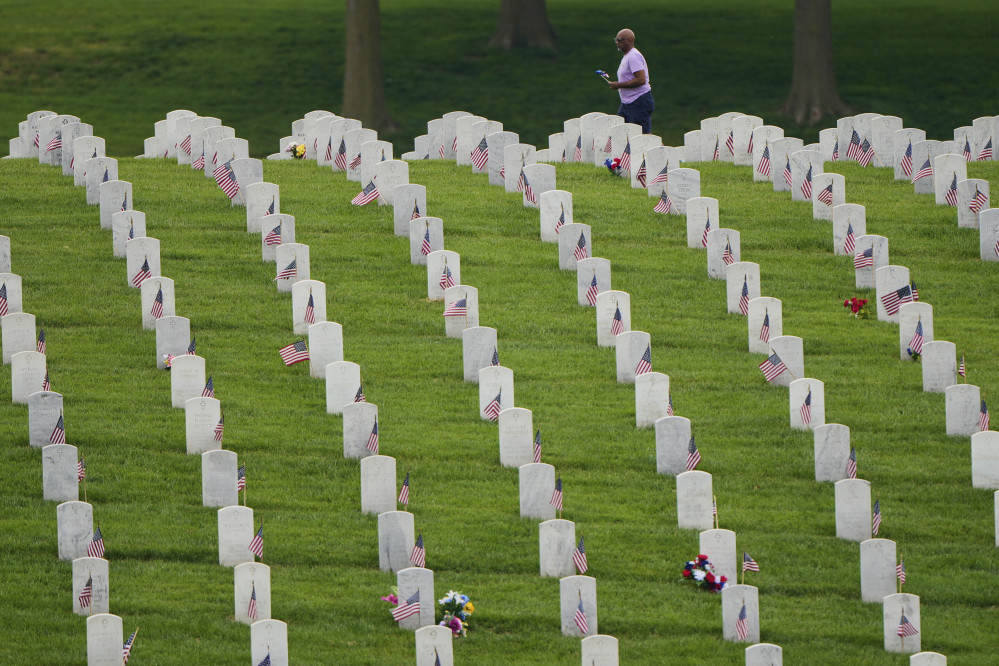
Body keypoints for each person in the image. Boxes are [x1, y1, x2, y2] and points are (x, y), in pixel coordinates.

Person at [608, 29, 654, 134]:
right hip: (627, 103)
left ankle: (659, 146)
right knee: (620, 133)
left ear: (629, 40)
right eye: (616, 40)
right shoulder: (627, 56)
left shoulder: (633, 56)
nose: (617, 43)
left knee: (643, 136)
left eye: (619, 40)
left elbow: (641, 79)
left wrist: (619, 85)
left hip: (639, 101)